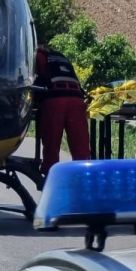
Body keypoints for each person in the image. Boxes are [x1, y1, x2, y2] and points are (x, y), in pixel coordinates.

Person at [34, 40, 90, 176]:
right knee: (81, 146)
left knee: (51, 144)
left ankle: (50, 177)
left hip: (55, 99)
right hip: (76, 99)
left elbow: (32, 79)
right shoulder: (60, 56)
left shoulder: (37, 56)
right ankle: (85, 176)